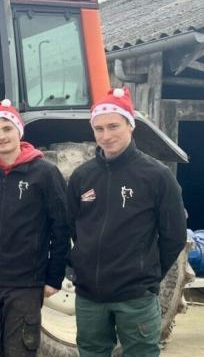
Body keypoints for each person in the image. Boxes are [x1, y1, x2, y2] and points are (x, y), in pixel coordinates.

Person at [67, 87, 187, 357]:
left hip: (135, 297)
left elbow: (174, 235)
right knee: (91, 352)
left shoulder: (157, 176)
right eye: (99, 129)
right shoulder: (82, 176)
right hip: (89, 296)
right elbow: (72, 227)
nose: (106, 136)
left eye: (113, 126)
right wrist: (81, 263)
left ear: (130, 125)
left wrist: (147, 273)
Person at [0, 99, 70, 357]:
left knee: (19, 352)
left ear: (19, 131)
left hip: (25, 285)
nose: (2, 136)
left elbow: (61, 227)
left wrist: (54, 277)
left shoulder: (44, 173)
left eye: (7, 129)